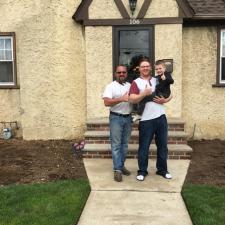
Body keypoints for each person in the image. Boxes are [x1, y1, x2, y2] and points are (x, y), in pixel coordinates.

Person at [129, 58, 172, 181]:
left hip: (161, 117)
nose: (145, 68)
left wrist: (165, 100)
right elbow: (132, 99)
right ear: (139, 68)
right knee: (144, 147)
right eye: (143, 66)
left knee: (163, 146)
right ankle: (142, 171)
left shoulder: (157, 78)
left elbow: (170, 93)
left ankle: (162, 170)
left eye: (147, 66)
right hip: (146, 120)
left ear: (150, 68)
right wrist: (144, 93)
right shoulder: (136, 82)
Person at [102, 65, 133, 182]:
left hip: (128, 118)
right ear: (115, 74)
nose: (121, 74)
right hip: (116, 118)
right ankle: (117, 170)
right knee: (116, 145)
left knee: (124, 145)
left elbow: (135, 99)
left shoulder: (130, 86)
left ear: (126, 74)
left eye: (123, 72)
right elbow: (106, 102)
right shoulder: (110, 87)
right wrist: (122, 98)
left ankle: (121, 165)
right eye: (119, 72)